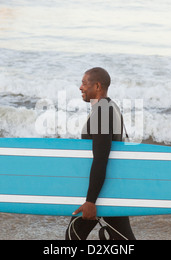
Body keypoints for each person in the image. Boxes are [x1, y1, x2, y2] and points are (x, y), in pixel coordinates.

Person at [65, 67, 136, 240]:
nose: (80, 87)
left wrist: (90, 201)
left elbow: (101, 159)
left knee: (73, 236)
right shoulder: (109, 107)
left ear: (97, 86)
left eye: (84, 83)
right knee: (122, 239)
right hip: (111, 188)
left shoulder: (104, 112)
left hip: (103, 191)